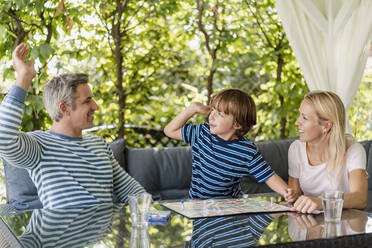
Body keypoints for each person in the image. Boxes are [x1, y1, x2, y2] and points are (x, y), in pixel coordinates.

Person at [0, 43, 145, 208]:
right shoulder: (39, 146)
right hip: (63, 233)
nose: (96, 107)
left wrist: (152, 211)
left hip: (106, 232)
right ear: (64, 108)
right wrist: (24, 77)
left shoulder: (99, 145)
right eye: (87, 101)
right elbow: (3, 138)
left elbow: (130, 190)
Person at [164, 88, 291, 199]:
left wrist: (288, 194)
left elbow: (268, 176)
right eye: (212, 110)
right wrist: (192, 109)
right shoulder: (201, 133)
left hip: (227, 211)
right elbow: (169, 130)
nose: (211, 116)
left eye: (220, 114)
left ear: (237, 124)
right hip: (197, 208)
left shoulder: (247, 151)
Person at [287, 90, 367, 213]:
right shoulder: (296, 149)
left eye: (304, 117)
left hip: (343, 224)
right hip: (309, 223)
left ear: (327, 126)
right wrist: (291, 195)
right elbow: (295, 195)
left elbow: (360, 198)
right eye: (299, 115)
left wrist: (322, 202)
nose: (297, 122)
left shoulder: (353, 150)